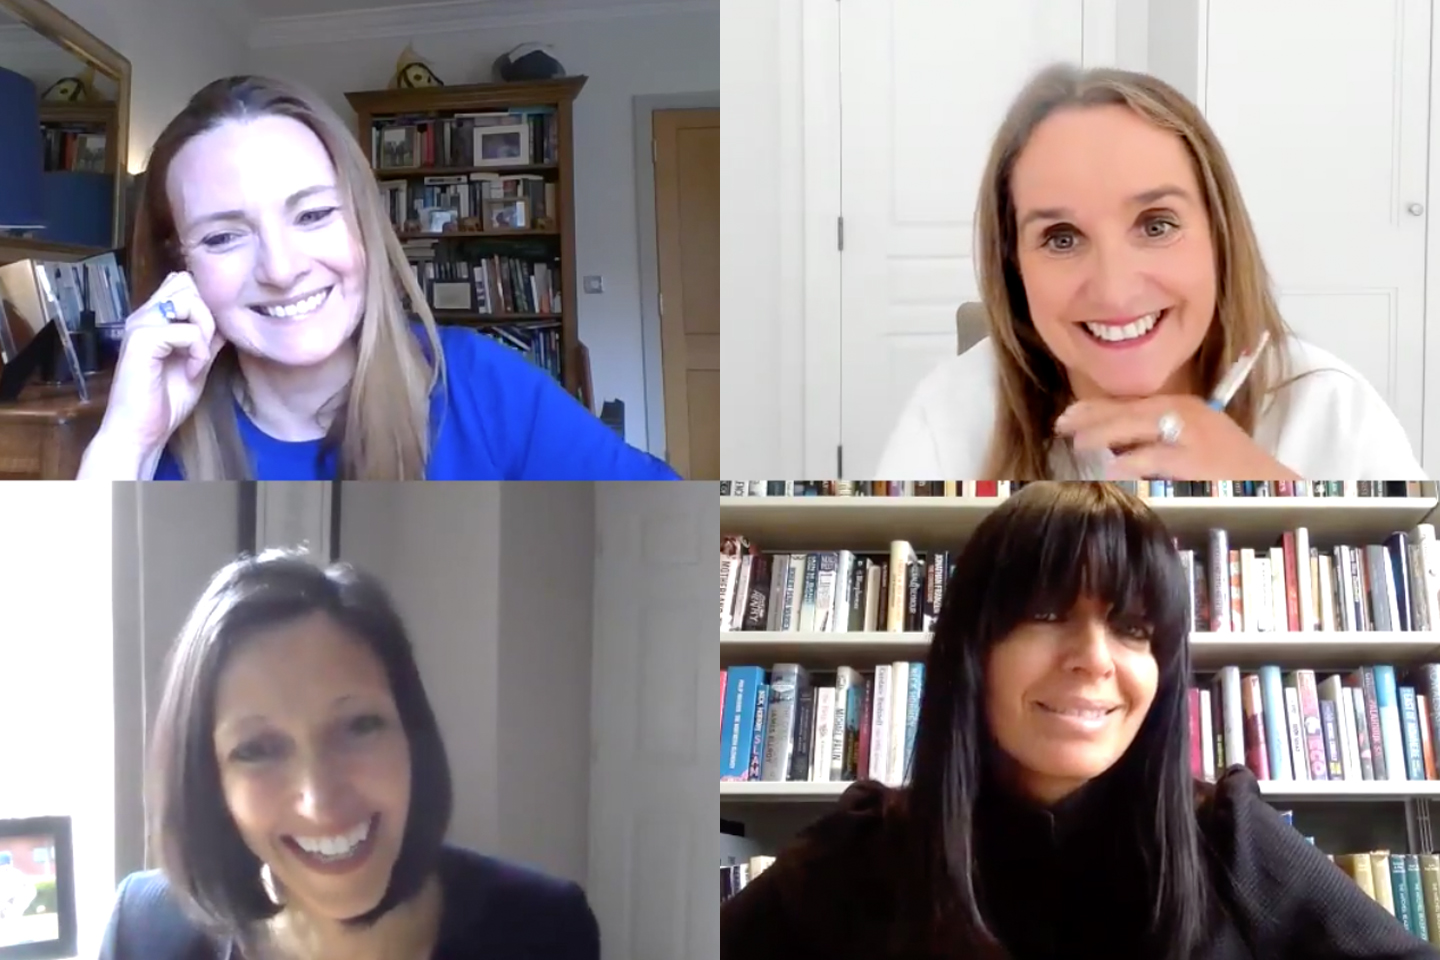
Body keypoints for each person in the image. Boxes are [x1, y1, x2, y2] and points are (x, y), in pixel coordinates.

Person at [721, 482, 1439, 960]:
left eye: (1133, 629)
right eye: (1043, 615)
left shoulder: (1226, 834)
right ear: (974, 648)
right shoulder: (860, 853)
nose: (1095, 661)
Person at [77, 75, 678, 481]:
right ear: (180, 265)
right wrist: (125, 443)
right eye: (224, 237)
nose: (283, 270)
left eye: (313, 214)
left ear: (363, 224)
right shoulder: (152, 436)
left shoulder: (478, 385)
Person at [873, 63, 1425, 481]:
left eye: (1157, 226)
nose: (1115, 289)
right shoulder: (950, 414)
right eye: (1061, 238)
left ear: (1219, 236)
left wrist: (1269, 497)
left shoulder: (1330, 410)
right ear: (1014, 265)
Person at [99, 550, 600, 960]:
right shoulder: (143, 934)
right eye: (256, 750)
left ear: (411, 734)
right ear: (210, 780)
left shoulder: (545, 931)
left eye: (359, 726)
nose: (320, 800)